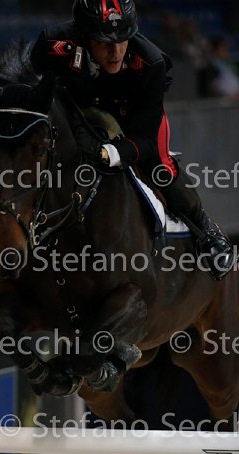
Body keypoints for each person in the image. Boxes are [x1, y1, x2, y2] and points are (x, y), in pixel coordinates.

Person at [30, 0, 235, 281]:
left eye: (122, 40)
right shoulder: (53, 43)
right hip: (75, 108)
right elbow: (29, 84)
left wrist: (108, 153)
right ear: (84, 36)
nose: (115, 52)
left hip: (131, 115)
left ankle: (207, 232)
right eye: (104, 42)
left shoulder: (151, 63)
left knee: (160, 167)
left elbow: (145, 140)